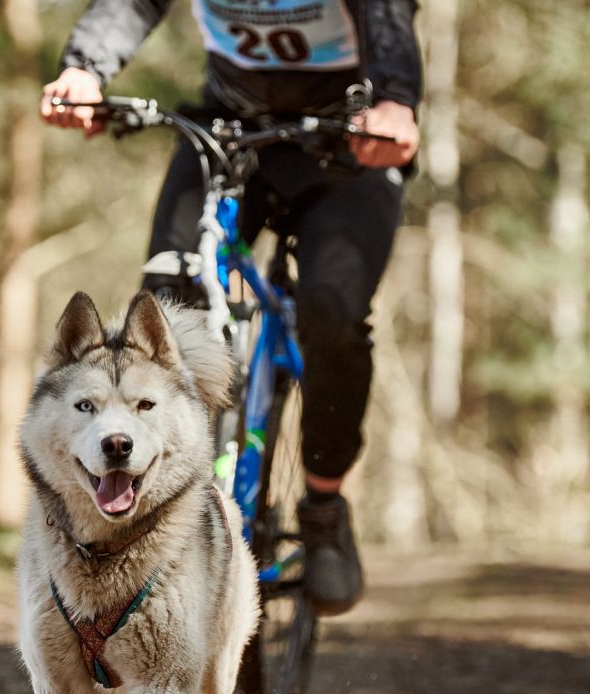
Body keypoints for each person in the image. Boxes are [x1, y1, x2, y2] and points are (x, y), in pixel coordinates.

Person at [39, 0, 422, 615]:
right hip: (225, 131)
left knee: (332, 314)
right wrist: (85, 70)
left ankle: (323, 507)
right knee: (160, 314)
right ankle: (156, 508)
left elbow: (387, 16)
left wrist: (398, 100)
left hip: (350, 140)